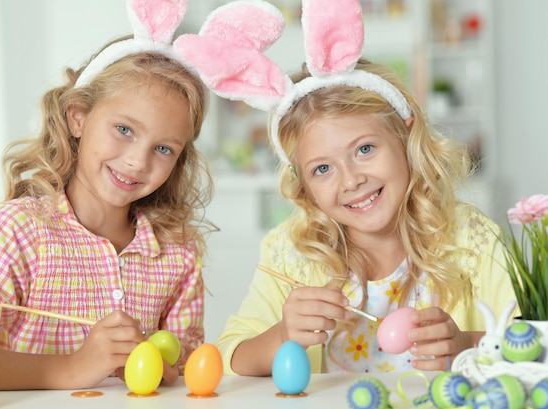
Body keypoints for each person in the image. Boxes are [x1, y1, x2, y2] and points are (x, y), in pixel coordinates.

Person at [185, 0, 517, 375]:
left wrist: (466, 346)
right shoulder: (291, 255)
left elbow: (531, 340)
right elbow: (230, 356)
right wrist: (283, 335)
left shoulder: (470, 240)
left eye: (364, 149)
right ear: (305, 186)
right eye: (323, 168)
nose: (351, 180)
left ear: (405, 139)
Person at [0, 0, 223, 390]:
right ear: (78, 116)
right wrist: (71, 368)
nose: (137, 161)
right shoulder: (13, 233)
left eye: (164, 149)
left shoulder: (177, 254)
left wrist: (166, 370)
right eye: (124, 129)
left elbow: (182, 369)